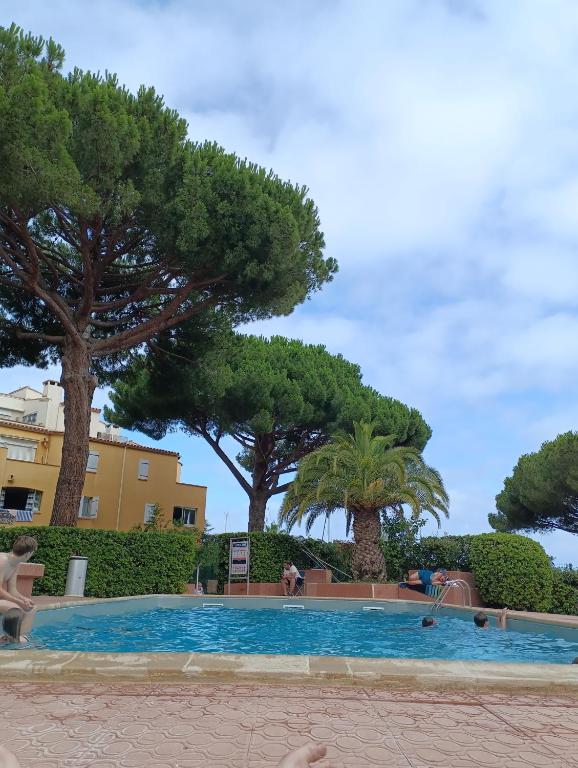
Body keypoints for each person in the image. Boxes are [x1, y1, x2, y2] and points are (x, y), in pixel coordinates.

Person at [0, 535, 38, 643]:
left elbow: (12, 590)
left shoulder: (15, 564)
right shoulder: (2, 560)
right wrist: (18, 602)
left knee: (31, 608)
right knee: (14, 609)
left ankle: (20, 639)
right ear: (28, 553)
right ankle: (8, 640)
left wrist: (24, 599)